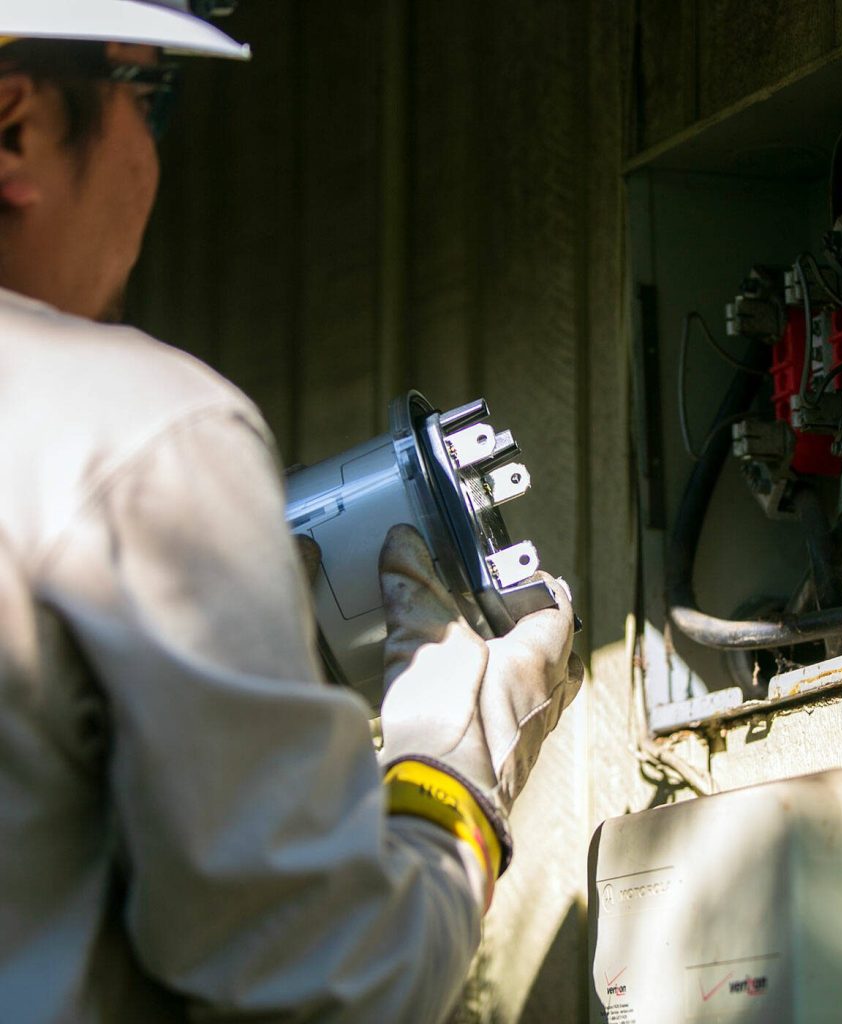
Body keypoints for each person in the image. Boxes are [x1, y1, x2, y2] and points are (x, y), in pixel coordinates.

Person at [0, 3, 583, 1022]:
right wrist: (453, 781)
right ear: (17, 121)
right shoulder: (137, 431)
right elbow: (332, 986)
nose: (153, 153)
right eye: (152, 96)